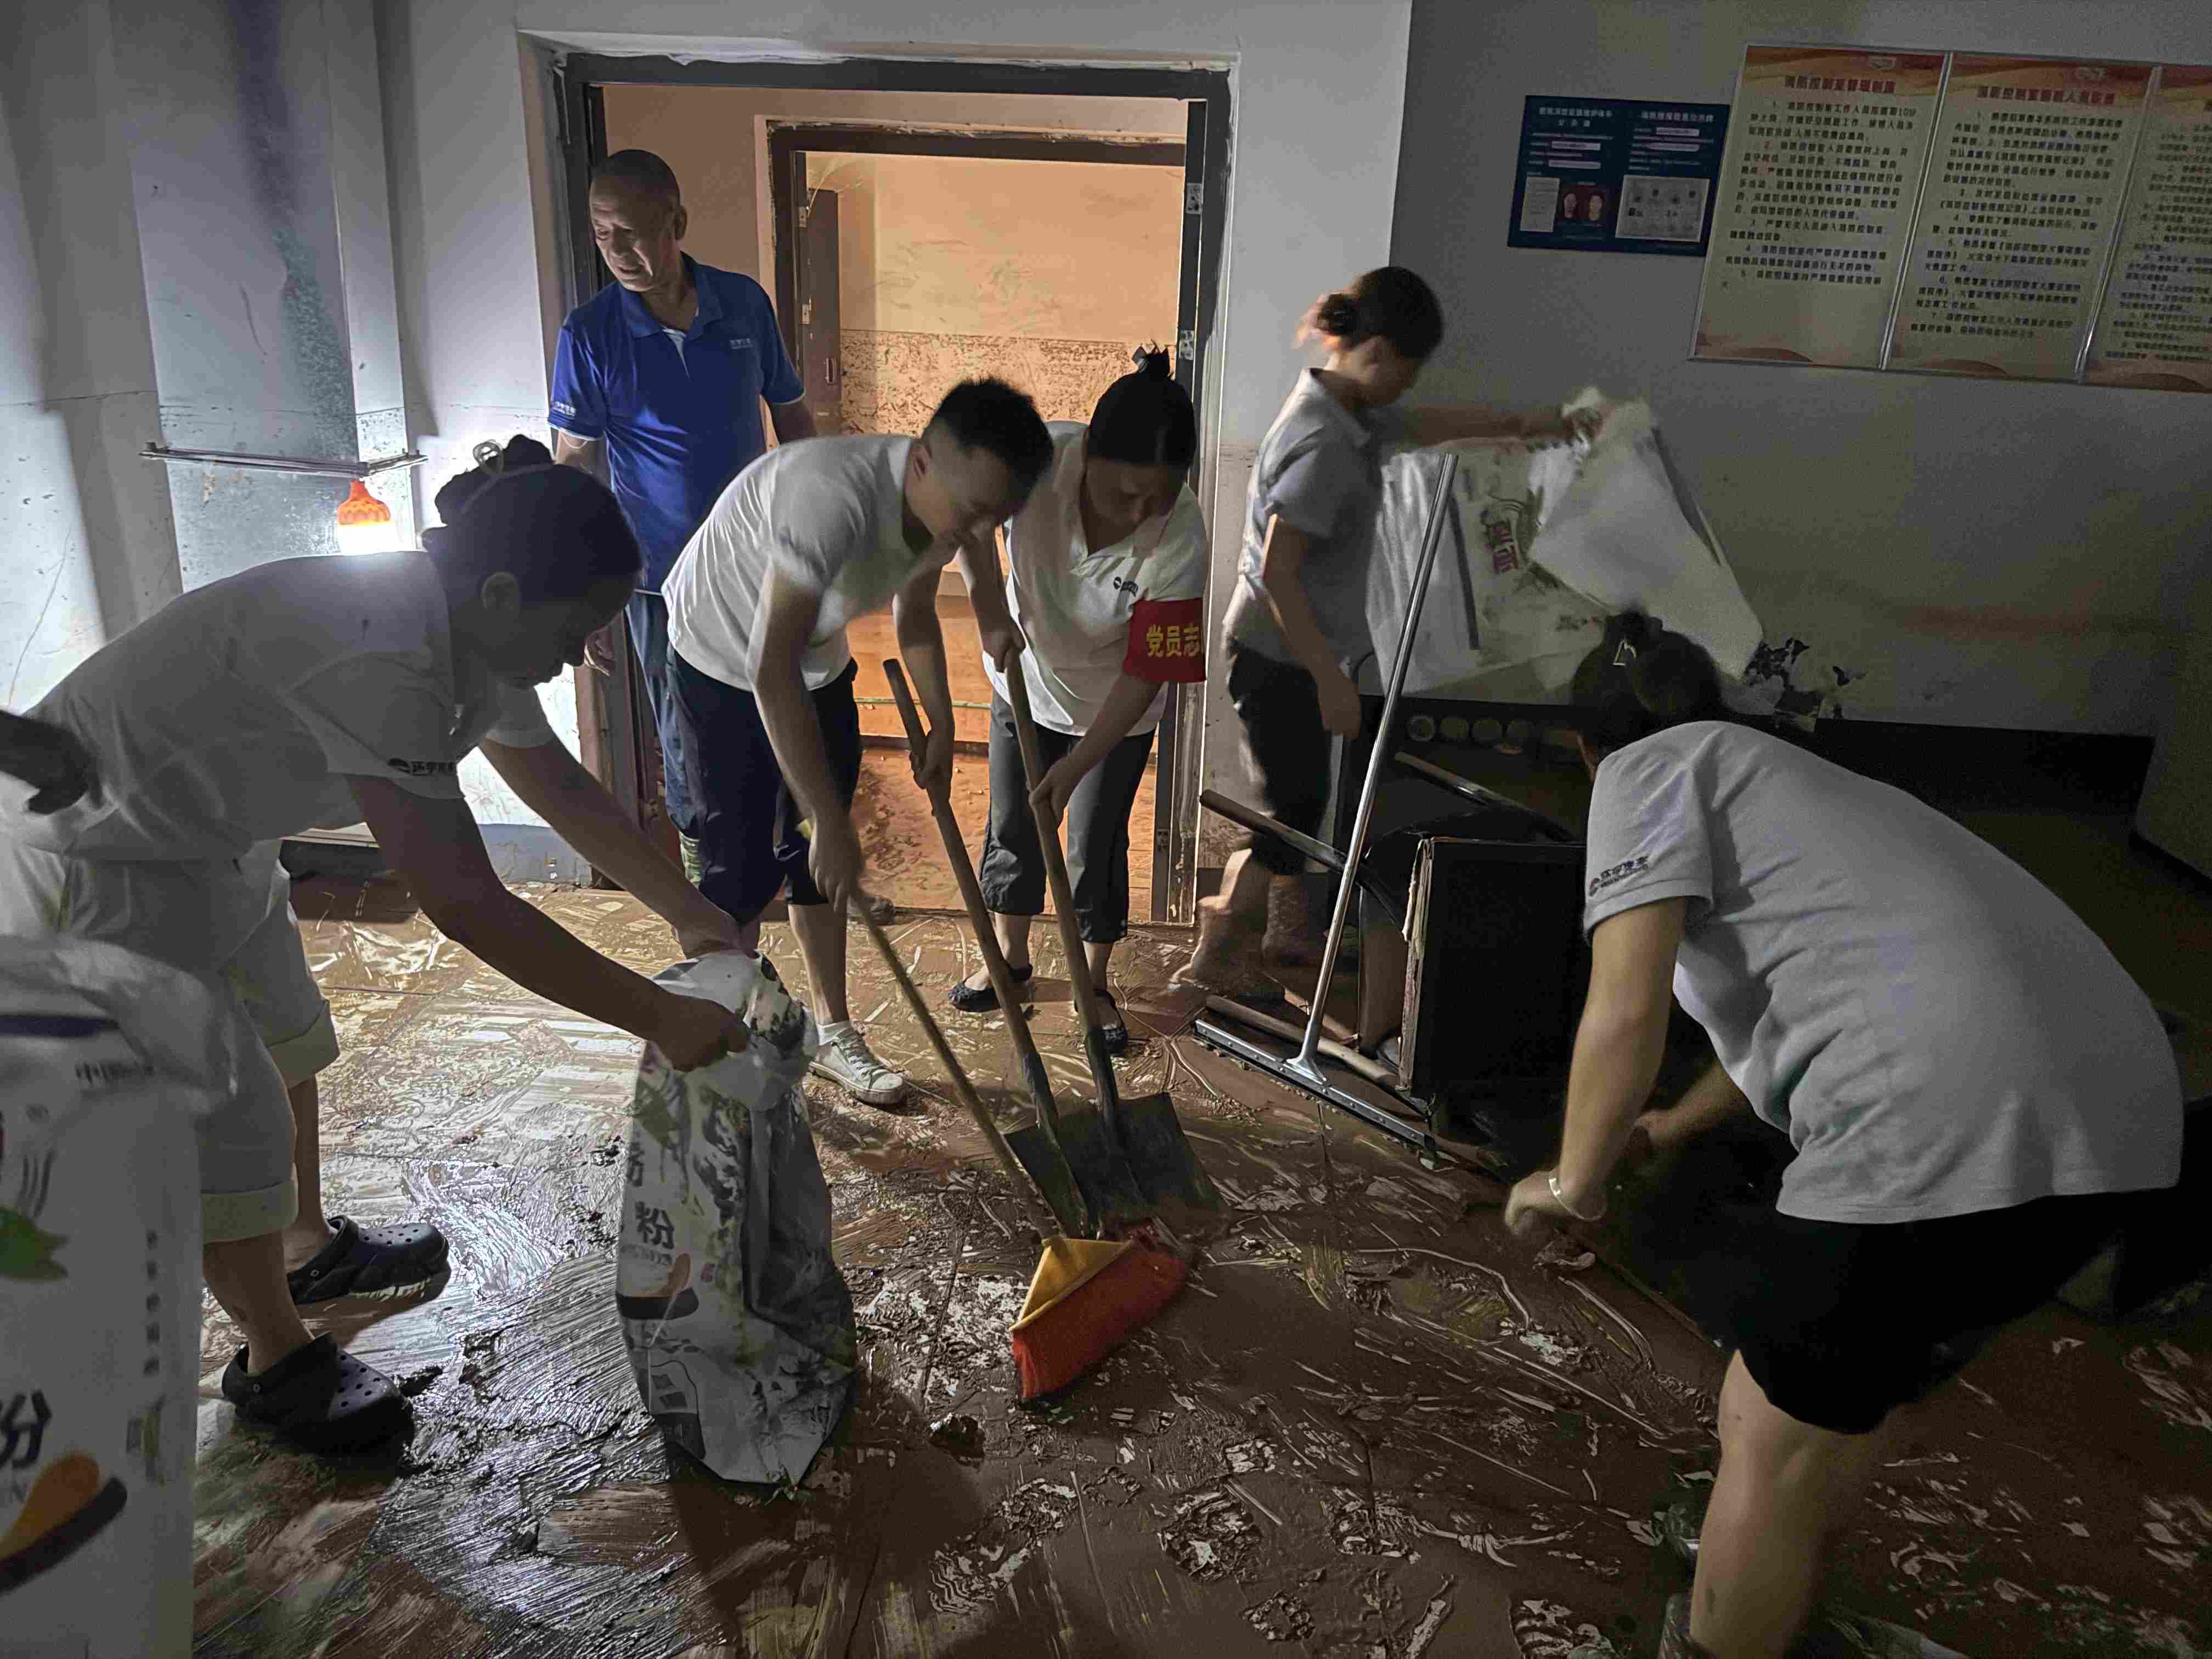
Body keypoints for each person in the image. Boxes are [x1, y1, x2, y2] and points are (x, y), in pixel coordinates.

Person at [0, 438, 755, 1454]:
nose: (578, 656)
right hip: (107, 856)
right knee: (230, 1112)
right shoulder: (382, 652)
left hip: (213, 830)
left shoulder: (477, 632)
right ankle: (274, 1358)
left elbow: (559, 789)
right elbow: (464, 900)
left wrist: (687, 909)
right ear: (499, 590)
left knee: (293, 1039)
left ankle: (305, 1247)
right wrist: (657, 1014)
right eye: (574, 631)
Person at [1500, 612, 2183, 1659]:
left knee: (1773, 1428)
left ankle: (1733, 1622)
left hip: (1944, 1115)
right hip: (2129, 1119)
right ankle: (1773, 1573)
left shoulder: (1642, 774)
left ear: (1588, 748)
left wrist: (1571, 1181)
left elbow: (1624, 1006)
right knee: (1833, 1400)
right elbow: (1817, 986)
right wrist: (1670, 1124)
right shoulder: (1798, 779)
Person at [1175, 266, 1582, 991]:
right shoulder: (1325, 443)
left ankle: (1258, 940)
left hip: (1296, 649)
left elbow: (1427, 424)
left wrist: (1535, 425)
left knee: (1295, 804)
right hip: (1278, 652)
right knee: (1292, 806)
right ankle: (1215, 951)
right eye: (1410, 369)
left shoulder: (1347, 413)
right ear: (1379, 353)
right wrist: (1329, 678)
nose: (1411, 387)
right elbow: (1278, 575)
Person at [661, 378, 1053, 1107]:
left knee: (819, 869)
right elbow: (766, 668)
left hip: (813, 656)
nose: (975, 538)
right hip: (720, 657)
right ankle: (721, 1038)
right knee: (737, 863)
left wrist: (941, 720)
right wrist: (832, 822)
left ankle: (833, 1031)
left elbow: (916, 616)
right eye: (972, 516)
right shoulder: (830, 498)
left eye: (993, 522)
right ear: (925, 460)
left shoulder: (951, 512)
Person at [550, 148, 815, 866]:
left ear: (679, 222)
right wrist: (583, 590)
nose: (624, 252)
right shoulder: (590, 335)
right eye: (607, 236)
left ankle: (790, 859)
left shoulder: (744, 305)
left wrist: (814, 528)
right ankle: (710, 880)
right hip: (657, 578)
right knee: (684, 731)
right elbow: (574, 466)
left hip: (754, 564)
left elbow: (792, 419)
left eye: (638, 232)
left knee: (777, 704)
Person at [946, 349, 1205, 1052]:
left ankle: (1093, 983)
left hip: (1115, 712)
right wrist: (990, 606)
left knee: (1095, 842)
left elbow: (1149, 671)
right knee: (1014, 825)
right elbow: (967, 520)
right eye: (1125, 494)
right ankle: (1012, 959)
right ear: (1088, 451)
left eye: (1158, 496)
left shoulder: (1182, 533)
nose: (1141, 511)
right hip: (1023, 680)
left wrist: (1082, 760)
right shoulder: (1037, 462)